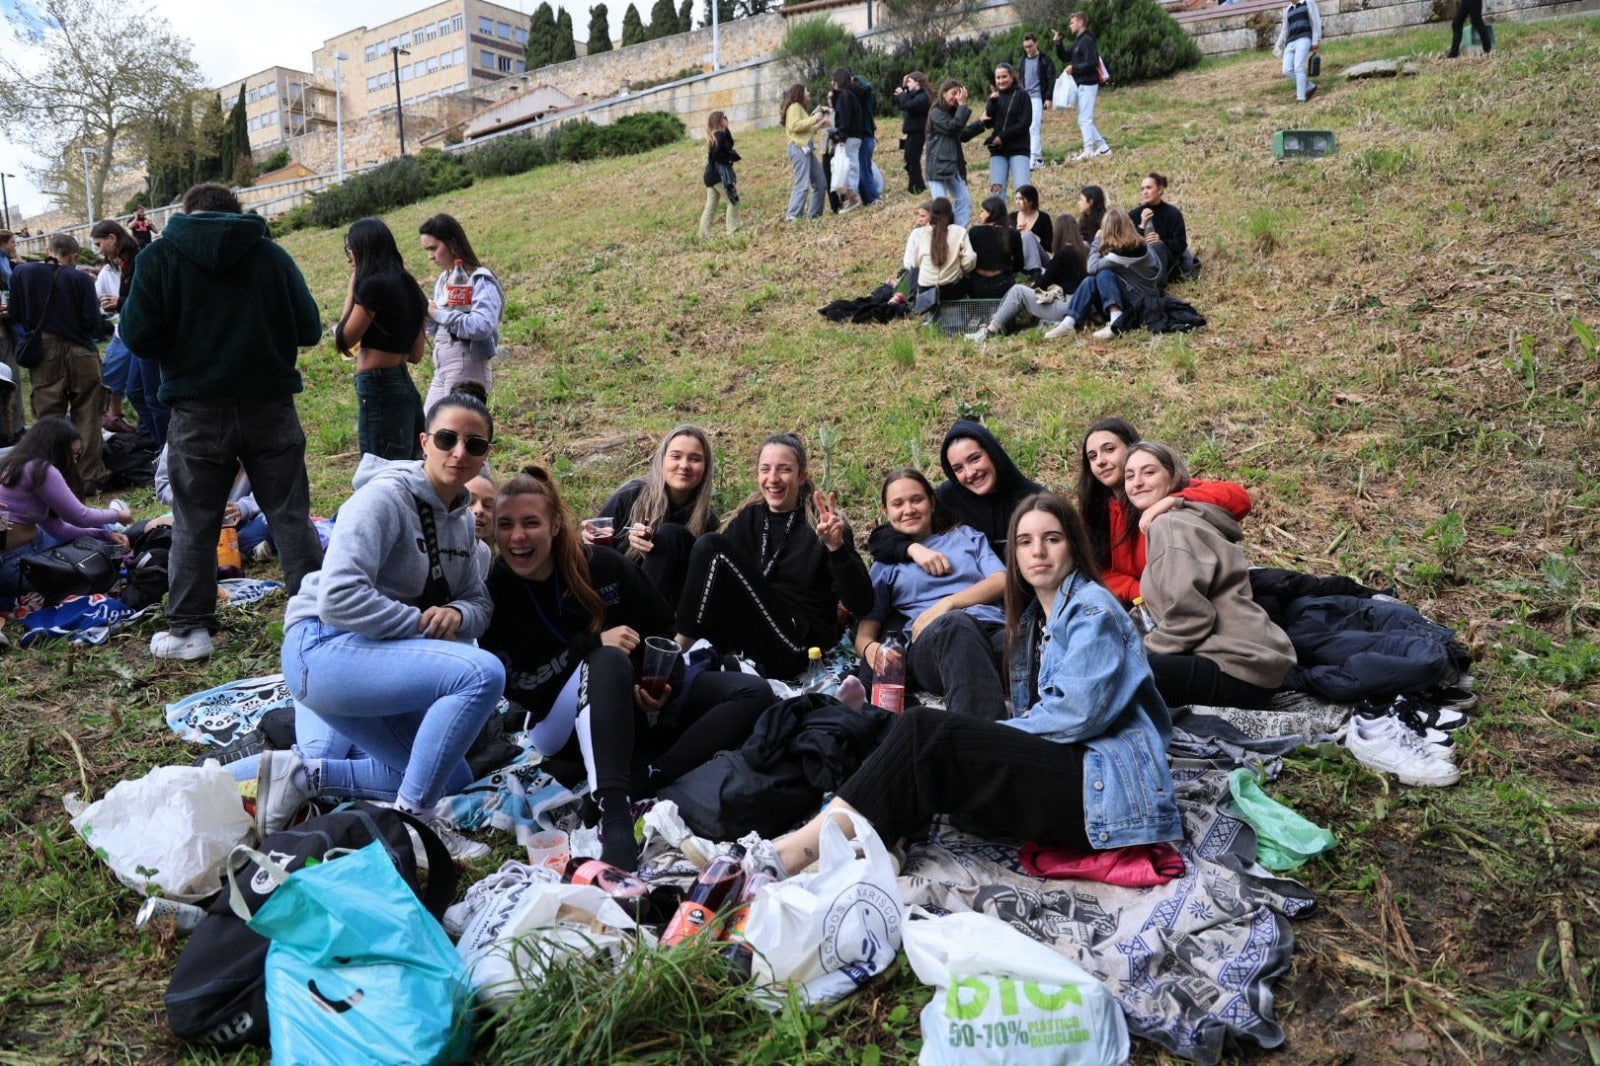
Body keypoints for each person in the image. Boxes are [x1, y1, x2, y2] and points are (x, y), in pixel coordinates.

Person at [772, 493, 1180, 874]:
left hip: (1104, 790)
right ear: (1014, 555)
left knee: (926, 732)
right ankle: (876, 838)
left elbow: (1076, 716)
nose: (1037, 551)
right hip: (1079, 776)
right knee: (919, 739)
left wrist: (983, 740)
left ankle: (787, 855)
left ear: (1073, 546)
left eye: (1052, 539)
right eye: (1024, 542)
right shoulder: (1036, 619)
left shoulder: (1092, 610)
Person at [482, 465, 775, 870]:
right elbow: (523, 689)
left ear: (553, 527)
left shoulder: (602, 565)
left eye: (530, 523)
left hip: (632, 703)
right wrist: (590, 646)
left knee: (754, 692)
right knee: (606, 658)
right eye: (506, 525)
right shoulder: (498, 587)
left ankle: (651, 775)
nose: (517, 537)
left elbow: (664, 636)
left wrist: (662, 685)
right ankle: (616, 819)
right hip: (555, 723)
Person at [255, 391, 504, 858]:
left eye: (475, 445)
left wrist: (458, 613)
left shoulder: (464, 525)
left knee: (451, 773)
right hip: (322, 650)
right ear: (424, 442)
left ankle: (305, 778)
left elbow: (478, 602)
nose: (459, 452)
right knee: (481, 673)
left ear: (486, 454)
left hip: (374, 661)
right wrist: (421, 624)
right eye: (448, 438)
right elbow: (338, 598)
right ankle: (414, 823)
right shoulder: (383, 499)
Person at [120, 182, 325, 661]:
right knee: (290, 514)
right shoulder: (271, 256)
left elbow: (136, 336)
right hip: (271, 406)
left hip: (197, 412)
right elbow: (310, 327)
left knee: (195, 521)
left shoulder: (159, 258)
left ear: (187, 213)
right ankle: (318, 617)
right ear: (236, 211)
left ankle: (190, 629)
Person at [672, 432, 872, 679]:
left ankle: (673, 656)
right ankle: (655, 644)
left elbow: (862, 603)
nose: (773, 479)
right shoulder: (749, 518)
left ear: (802, 476)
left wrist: (836, 548)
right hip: (748, 636)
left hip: (796, 646)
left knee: (711, 547)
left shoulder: (824, 525)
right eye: (765, 469)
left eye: (784, 469)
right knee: (673, 537)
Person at [1123, 441, 1295, 710]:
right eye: (1130, 476)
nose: (1138, 482)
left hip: (1237, 668)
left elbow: (1190, 617)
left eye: (1149, 472)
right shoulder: (1184, 517)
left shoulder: (1169, 525)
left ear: (1173, 477)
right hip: (1254, 664)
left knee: (1119, 674)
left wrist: (1142, 649)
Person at [856, 468, 1008, 721]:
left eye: (917, 499)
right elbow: (865, 633)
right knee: (955, 625)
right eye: (898, 504)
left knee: (1031, 647)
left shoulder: (965, 537)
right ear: (885, 512)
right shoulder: (885, 565)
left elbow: (1001, 580)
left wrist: (949, 603)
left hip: (991, 629)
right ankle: (981, 740)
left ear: (932, 503)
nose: (909, 509)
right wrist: (870, 649)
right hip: (932, 646)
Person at [1076, 417, 1252, 606]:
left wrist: (1172, 501)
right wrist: (1138, 591)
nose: (1101, 461)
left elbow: (1239, 498)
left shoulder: (1163, 489)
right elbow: (1095, 567)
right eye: (1092, 456)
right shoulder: (1094, 511)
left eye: (1109, 449)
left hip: (1198, 600)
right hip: (1144, 602)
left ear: (1132, 449)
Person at [7, 234, 113, 491]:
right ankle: (88, 476)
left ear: (47, 250)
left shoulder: (22, 273)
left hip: (44, 351)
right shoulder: (80, 279)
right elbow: (91, 323)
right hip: (81, 352)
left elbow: (16, 314)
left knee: (48, 417)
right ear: (74, 257)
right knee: (88, 413)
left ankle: (51, 478)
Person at [868, 420, 1042, 565]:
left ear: (993, 452)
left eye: (975, 459)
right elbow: (880, 539)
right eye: (958, 468)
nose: (970, 473)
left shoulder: (1036, 502)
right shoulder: (948, 498)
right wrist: (912, 549)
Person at [588, 424, 719, 605]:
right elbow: (596, 557)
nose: (684, 465)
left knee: (670, 535)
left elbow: (698, 582)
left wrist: (659, 554)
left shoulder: (708, 519)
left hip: (674, 607)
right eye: (676, 456)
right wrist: (589, 541)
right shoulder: (630, 496)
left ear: (705, 467)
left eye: (695, 459)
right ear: (662, 460)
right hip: (620, 599)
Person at [0, 416, 130, 596]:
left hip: (31, 546)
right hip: (16, 565)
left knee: (98, 535)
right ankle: (120, 528)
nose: (74, 461)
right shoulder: (39, 469)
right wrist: (118, 514)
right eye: (73, 454)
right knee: (91, 553)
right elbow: (80, 516)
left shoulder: (17, 465)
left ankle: (113, 530)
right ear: (55, 450)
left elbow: (58, 529)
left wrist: (103, 533)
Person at [336, 217, 428, 461]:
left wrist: (352, 288)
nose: (349, 258)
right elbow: (416, 355)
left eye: (350, 250)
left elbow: (345, 340)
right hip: (404, 385)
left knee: (379, 470)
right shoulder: (409, 285)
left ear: (360, 250)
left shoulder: (372, 287)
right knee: (409, 466)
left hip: (377, 385)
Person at [419, 213, 503, 413]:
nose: (431, 256)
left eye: (433, 248)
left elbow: (482, 326)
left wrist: (438, 313)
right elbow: (440, 325)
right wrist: (426, 313)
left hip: (467, 364)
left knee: (455, 433)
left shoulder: (480, 278)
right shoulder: (443, 279)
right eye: (427, 250)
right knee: (431, 430)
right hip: (442, 366)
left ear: (452, 243)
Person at [1044, 211, 1167, 340]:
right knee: (1091, 280)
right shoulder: (1141, 245)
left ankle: (1116, 322)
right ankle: (1068, 322)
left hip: (1141, 303)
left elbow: (1091, 267)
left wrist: (1097, 241)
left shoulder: (1121, 255)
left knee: (1104, 274)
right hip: (1141, 295)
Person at [153, 444, 275, 562]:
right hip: (196, 523)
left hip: (243, 519)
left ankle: (237, 545)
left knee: (277, 519)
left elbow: (272, 482)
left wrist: (244, 507)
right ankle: (242, 546)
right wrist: (194, 499)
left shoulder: (252, 432)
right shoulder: (180, 433)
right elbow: (163, 485)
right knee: (152, 530)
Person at [89, 221, 138, 435]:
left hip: (138, 332)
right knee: (112, 373)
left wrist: (119, 302)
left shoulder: (138, 260)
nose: (98, 250)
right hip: (124, 330)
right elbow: (97, 295)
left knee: (139, 389)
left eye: (99, 243)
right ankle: (115, 417)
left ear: (112, 238)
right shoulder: (109, 269)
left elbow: (144, 301)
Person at [924, 79, 982, 226]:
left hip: (952, 165)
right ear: (943, 94)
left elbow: (963, 135)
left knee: (964, 199)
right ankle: (941, 235)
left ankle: (959, 232)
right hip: (937, 166)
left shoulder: (954, 113)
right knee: (940, 206)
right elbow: (952, 128)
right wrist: (963, 106)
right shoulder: (936, 112)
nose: (956, 97)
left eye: (959, 93)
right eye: (953, 93)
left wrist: (981, 122)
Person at [1055, 13, 1111, 161]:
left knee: (1085, 119)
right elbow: (1066, 56)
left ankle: (1089, 150)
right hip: (1082, 83)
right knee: (1083, 119)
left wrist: (1074, 68)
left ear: (1080, 23)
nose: (1070, 25)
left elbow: (1092, 62)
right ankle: (1103, 147)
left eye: (1072, 22)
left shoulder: (1087, 40)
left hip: (1088, 83)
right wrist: (1058, 43)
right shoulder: (1078, 41)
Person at [903, 198, 976, 306]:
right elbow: (969, 260)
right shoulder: (960, 232)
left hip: (925, 291)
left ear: (931, 215)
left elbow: (914, 263)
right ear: (951, 213)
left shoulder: (921, 233)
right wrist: (961, 269)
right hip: (951, 291)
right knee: (970, 278)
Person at [981, 63, 1032, 198]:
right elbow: (988, 123)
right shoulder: (994, 97)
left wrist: (1002, 137)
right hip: (998, 150)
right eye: (998, 78)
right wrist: (991, 103)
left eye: (1004, 77)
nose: (1001, 81)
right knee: (996, 192)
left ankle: (1025, 219)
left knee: (1023, 191)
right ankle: (999, 219)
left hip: (1019, 148)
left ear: (1011, 76)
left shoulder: (1022, 95)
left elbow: (1024, 123)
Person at [781, 84, 830, 222]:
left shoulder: (800, 108)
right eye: (806, 90)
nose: (809, 93)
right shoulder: (795, 106)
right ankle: (793, 216)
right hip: (798, 149)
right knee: (802, 184)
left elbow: (804, 130)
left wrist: (818, 126)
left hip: (806, 149)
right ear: (800, 93)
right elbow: (794, 126)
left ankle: (813, 217)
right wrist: (815, 118)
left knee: (820, 182)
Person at [1130, 172, 1189, 281]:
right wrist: (1142, 226)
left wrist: (1161, 241)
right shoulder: (1134, 214)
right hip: (1141, 262)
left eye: (1148, 188)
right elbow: (1127, 243)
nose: (1145, 192)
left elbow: (1181, 244)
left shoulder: (1173, 214)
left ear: (1160, 189)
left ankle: (1158, 285)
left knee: (1156, 245)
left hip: (1168, 263)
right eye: (1142, 189)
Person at [966, 196, 1025, 299]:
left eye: (982, 211)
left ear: (991, 212)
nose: (980, 215)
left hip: (976, 286)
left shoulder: (975, 232)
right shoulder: (1013, 233)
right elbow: (1019, 264)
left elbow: (968, 260)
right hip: (1003, 285)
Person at [1016, 33, 1057, 169]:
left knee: (1034, 126)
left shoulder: (1044, 60)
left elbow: (1050, 79)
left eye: (1030, 46)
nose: (1028, 49)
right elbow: (1021, 79)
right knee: (1026, 127)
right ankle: (1031, 155)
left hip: (1037, 97)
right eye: (1026, 47)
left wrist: (1049, 97)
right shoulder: (1023, 61)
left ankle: (1036, 157)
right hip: (1025, 97)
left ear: (1036, 43)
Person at [698, 111, 741, 240]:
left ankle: (703, 235)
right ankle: (731, 230)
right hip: (718, 175)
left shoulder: (716, 135)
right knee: (733, 201)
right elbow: (719, 154)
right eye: (724, 118)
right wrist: (728, 160)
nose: (726, 119)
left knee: (711, 205)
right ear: (719, 120)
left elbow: (729, 144)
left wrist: (726, 129)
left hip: (710, 175)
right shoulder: (719, 135)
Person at [828, 68, 864, 213]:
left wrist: (841, 137)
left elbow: (844, 118)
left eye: (834, 80)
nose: (832, 83)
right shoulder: (852, 94)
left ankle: (853, 199)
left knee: (847, 169)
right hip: (856, 135)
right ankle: (852, 197)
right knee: (851, 167)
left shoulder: (845, 96)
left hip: (849, 136)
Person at [1273, 0, 1322, 101]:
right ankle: (1310, 87)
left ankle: (1301, 98)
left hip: (1304, 38)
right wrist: (1278, 44)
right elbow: (1284, 30)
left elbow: (1316, 21)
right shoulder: (1287, 10)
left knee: (1298, 67)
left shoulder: (1308, 3)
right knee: (1286, 70)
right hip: (1290, 42)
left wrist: (1315, 41)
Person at [892, 72, 931, 195]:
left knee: (913, 160)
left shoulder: (923, 97)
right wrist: (903, 88)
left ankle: (916, 188)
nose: (907, 84)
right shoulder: (913, 95)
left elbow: (908, 104)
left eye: (909, 81)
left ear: (917, 82)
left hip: (918, 132)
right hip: (911, 132)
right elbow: (901, 103)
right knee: (909, 160)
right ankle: (916, 185)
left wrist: (903, 94)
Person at [0, 229, 22, 442]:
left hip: (7, 334)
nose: (15, 246)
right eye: (12, 242)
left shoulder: (8, 267)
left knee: (12, 383)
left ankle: (15, 431)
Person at [850, 71, 882, 207]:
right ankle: (868, 199)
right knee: (863, 168)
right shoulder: (862, 100)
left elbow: (868, 87)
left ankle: (874, 198)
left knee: (864, 169)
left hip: (865, 136)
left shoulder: (864, 98)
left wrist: (854, 78)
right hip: (866, 136)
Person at [1008, 184, 1054, 266]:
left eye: (1021, 199)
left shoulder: (1044, 218)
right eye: (1016, 199)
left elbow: (1050, 247)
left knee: (1028, 236)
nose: (1017, 202)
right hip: (1018, 257)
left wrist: (1035, 238)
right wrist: (1015, 233)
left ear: (1030, 201)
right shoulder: (1011, 217)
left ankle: (1035, 272)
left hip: (1040, 258)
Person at [1076, 184, 1107, 249]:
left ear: (1090, 202)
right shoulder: (1084, 220)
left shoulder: (1105, 222)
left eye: (1081, 200)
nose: (1078, 203)